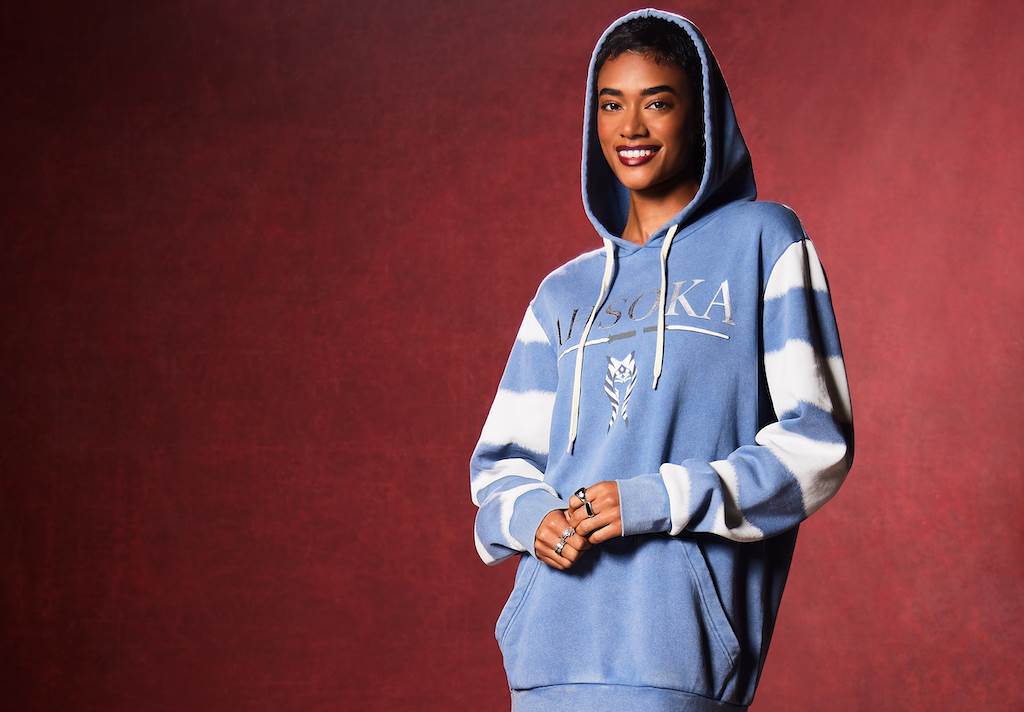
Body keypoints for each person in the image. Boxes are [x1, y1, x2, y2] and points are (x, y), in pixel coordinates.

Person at [468, 8, 854, 711]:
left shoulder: (764, 241)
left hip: (677, 666)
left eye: (658, 102)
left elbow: (816, 443)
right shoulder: (563, 293)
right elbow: (498, 468)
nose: (631, 128)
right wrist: (532, 518)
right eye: (611, 104)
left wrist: (659, 500)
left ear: (701, 117)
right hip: (546, 661)